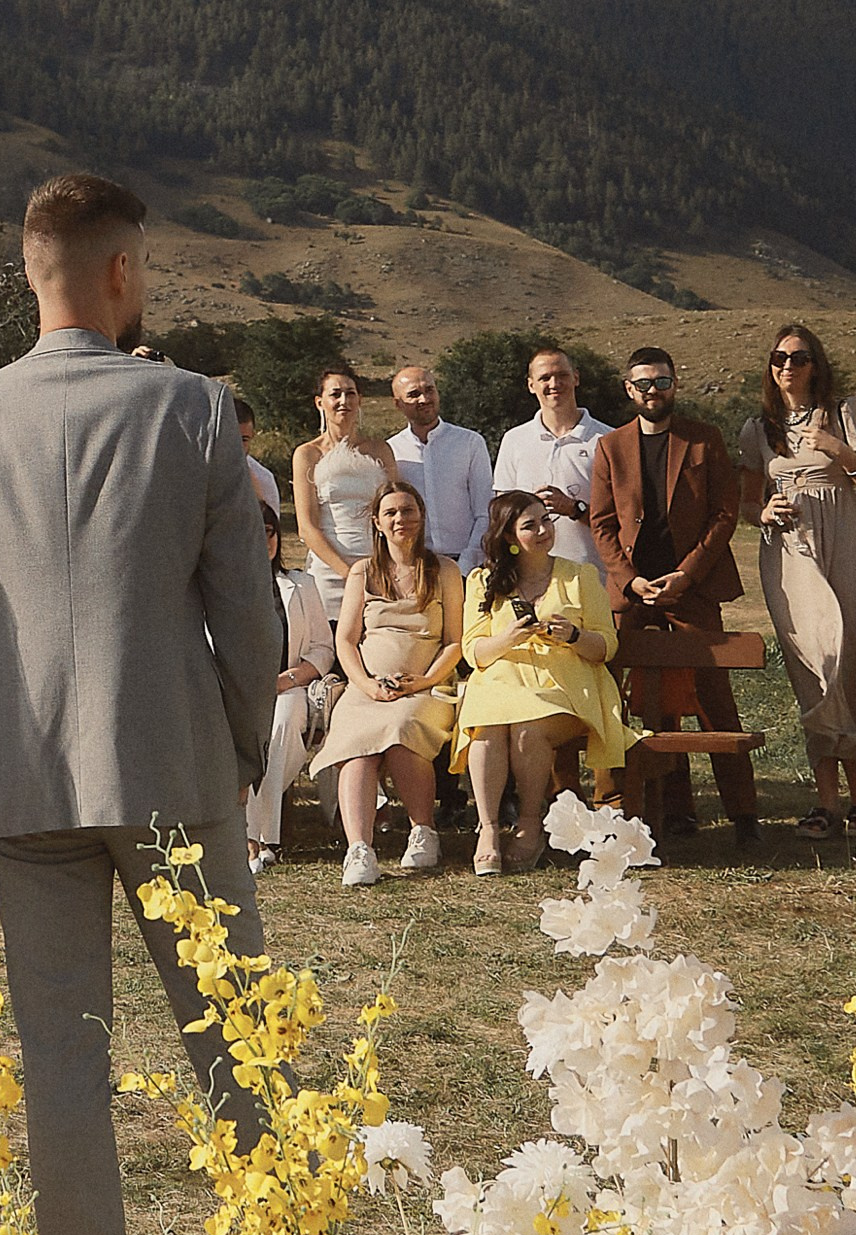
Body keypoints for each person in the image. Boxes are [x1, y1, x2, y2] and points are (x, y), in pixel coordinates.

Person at [0, 173, 284, 1235]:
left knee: (60, 1064)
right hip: (170, 762)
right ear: (122, 271)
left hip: (19, 778)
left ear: (33, 271)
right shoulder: (189, 405)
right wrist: (244, 744)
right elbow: (244, 603)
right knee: (235, 1041)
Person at [588, 348, 760, 849]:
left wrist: (686, 574)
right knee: (620, 700)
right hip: (633, 593)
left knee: (711, 699)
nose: (652, 392)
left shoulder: (704, 439)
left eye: (660, 382)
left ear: (674, 384)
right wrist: (630, 579)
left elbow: (724, 514)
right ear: (628, 390)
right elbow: (600, 524)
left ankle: (743, 813)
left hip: (693, 590)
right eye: (642, 384)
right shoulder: (610, 447)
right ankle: (624, 809)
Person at [739, 324, 856, 841]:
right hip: (788, 553)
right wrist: (763, 511)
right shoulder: (758, 429)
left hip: (844, 543)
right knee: (811, 666)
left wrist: (838, 449)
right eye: (778, 358)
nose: (787, 366)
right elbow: (742, 503)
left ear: (815, 364)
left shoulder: (847, 412)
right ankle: (825, 801)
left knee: (849, 657)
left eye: (798, 357)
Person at [452, 490, 631, 874]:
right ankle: (487, 829)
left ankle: (531, 824)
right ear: (509, 537)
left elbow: (607, 645)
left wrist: (573, 636)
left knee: (527, 731)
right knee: (485, 728)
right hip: (501, 684)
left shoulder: (580, 576)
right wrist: (509, 638)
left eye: (546, 521)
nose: (543, 530)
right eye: (529, 525)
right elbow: (473, 651)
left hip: (563, 687)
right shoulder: (483, 580)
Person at [313, 480, 462, 888]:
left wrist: (425, 680)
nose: (401, 519)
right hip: (367, 688)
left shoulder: (445, 570)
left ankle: (423, 829)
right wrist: (365, 684)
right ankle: (359, 849)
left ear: (421, 515)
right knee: (357, 747)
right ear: (377, 522)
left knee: (401, 730)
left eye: (408, 511)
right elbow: (345, 640)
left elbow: (454, 641)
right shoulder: (362, 572)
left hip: (426, 687)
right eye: (392, 513)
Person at [245, 502, 333, 869]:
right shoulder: (218, 589)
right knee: (243, 734)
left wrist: (288, 679)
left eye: (269, 532)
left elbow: (323, 648)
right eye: (253, 532)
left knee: (281, 722)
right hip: (235, 694)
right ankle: (262, 841)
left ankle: (254, 837)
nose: (264, 540)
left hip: (290, 688)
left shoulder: (300, 585)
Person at [291, 364, 395, 624]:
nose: (343, 401)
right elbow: (307, 527)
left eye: (350, 393)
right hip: (329, 569)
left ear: (359, 400)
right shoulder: (307, 454)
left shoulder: (380, 450)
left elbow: (396, 508)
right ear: (320, 402)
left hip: (378, 567)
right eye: (335, 394)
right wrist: (349, 574)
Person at [492, 347, 609, 570]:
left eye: (562, 375)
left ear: (576, 378)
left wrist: (575, 509)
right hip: (531, 577)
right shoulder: (514, 440)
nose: (554, 384)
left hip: (594, 574)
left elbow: (622, 518)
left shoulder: (608, 439)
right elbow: (502, 515)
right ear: (531, 385)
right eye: (545, 378)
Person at [388, 362, 493, 570]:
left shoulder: (469, 442)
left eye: (429, 390)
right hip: (414, 567)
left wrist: (467, 563)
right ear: (398, 404)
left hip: (468, 565)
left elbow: (484, 510)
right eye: (414, 394)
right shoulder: (391, 451)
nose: (424, 399)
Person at [233, 395, 282, 517]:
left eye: (244, 439)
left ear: (252, 435)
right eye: (230, 439)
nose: (237, 447)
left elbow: (271, 531)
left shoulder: (263, 479)